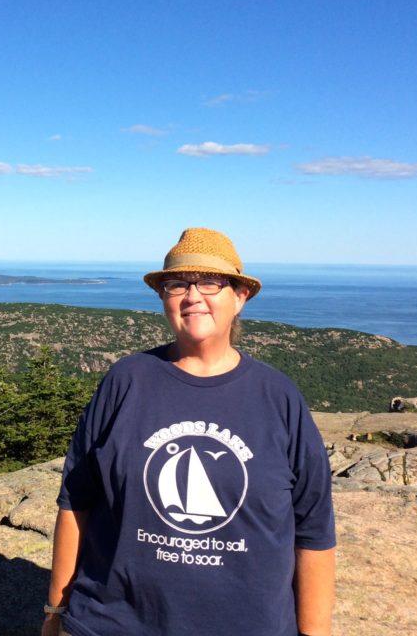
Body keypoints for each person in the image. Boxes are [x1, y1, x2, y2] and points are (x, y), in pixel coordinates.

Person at [43, 228, 336, 636]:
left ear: (240, 297)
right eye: (177, 283)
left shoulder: (278, 396)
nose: (192, 295)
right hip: (113, 624)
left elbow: (314, 528)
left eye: (211, 282)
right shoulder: (126, 381)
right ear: (164, 297)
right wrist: (56, 612)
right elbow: (77, 499)